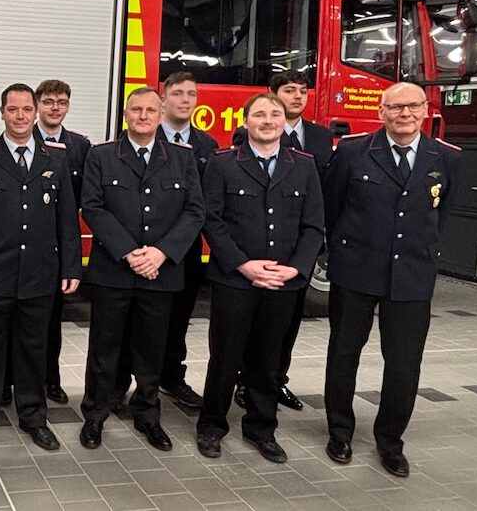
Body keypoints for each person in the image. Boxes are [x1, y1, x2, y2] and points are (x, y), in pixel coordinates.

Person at [323, 82, 460, 478]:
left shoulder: (446, 157)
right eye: (396, 107)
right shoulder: (352, 152)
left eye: (413, 106)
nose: (405, 114)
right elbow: (333, 209)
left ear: (424, 110)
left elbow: (440, 214)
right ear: (381, 112)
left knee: (403, 364)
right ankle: (340, 433)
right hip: (356, 270)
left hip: (412, 276)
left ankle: (390, 442)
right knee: (344, 353)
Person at [196, 92, 324, 464]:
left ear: (284, 121)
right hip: (235, 280)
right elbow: (211, 220)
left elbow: (314, 225)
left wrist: (296, 268)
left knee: (268, 361)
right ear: (246, 121)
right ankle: (212, 425)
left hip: (284, 282)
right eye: (259, 115)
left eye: (275, 115)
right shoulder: (223, 163)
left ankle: (261, 429)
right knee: (224, 357)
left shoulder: (303, 165)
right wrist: (242, 264)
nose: (268, 121)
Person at [0, 83, 81, 453]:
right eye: (13, 109)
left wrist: (70, 265)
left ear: (36, 111)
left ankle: (33, 416)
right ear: (2, 112)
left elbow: (66, 219)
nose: (21, 116)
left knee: (33, 350)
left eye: (27, 109)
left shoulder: (55, 158)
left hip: (39, 274)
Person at [77, 87, 204, 453]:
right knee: (105, 348)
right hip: (114, 271)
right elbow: (93, 207)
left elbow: (195, 210)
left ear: (161, 112)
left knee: (152, 349)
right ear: (126, 114)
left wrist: (162, 253)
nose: (144, 116)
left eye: (151, 109)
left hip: (160, 272)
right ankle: (95, 414)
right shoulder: (102, 156)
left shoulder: (182, 157)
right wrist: (130, 253)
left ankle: (148, 414)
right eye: (137, 109)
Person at [232, 71, 334, 411]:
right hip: (258, 251)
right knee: (251, 326)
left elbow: (324, 190)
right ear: (272, 95)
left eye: (303, 91)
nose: (297, 97)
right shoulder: (247, 136)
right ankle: (248, 382)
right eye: (289, 91)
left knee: (286, 327)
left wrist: (307, 255)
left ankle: (277, 381)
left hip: (297, 253)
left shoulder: (320, 137)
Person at [154, 71, 219, 410]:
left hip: (186, 249)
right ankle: (131, 382)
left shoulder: (207, 145)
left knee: (179, 317)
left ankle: (171, 377)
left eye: (191, 94)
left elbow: (205, 202)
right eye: (177, 93)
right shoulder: (142, 135)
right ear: (163, 98)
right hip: (147, 248)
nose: (185, 100)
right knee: (140, 319)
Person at [28, 78, 90, 406]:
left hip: (58, 244)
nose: (55, 108)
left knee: (52, 321)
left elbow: (81, 202)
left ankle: (51, 380)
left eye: (61, 102)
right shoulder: (22, 139)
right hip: (26, 242)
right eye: (49, 101)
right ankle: (17, 381)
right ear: (38, 105)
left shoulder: (80, 146)